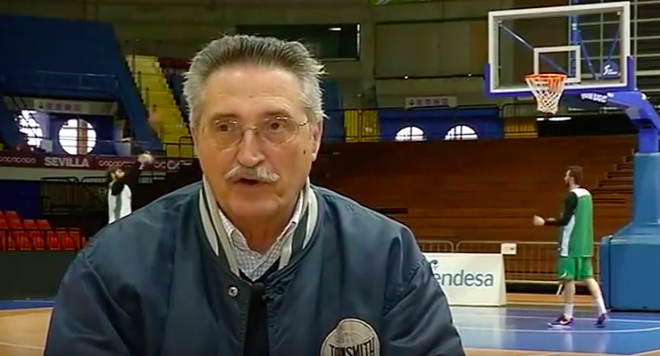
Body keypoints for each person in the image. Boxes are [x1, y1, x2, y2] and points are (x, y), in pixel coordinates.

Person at [44, 35, 465, 356]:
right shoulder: (112, 267)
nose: (249, 154)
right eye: (225, 127)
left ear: (314, 137)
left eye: (276, 126)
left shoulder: (387, 256)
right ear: (195, 138)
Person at [533, 165, 608, 329]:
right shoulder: (587, 195)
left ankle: (567, 316)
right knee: (589, 277)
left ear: (572, 178)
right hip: (585, 243)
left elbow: (565, 221)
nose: (564, 178)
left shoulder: (571, 197)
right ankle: (602, 310)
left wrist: (544, 222)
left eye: (566, 176)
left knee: (568, 280)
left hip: (571, 244)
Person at [106, 152, 154, 224]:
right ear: (112, 175)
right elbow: (128, 177)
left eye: (122, 171)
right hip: (117, 222)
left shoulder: (124, 186)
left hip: (125, 221)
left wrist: (141, 165)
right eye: (119, 172)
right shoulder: (113, 186)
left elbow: (132, 177)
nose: (122, 173)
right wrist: (139, 162)